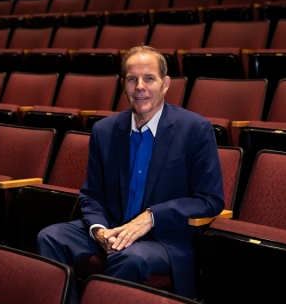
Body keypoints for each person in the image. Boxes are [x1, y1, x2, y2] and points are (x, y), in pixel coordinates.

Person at [37, 45, 224, 300]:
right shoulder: (104, 130)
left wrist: (150, 217)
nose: (140, 87)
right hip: (112, 229)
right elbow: (91, 194)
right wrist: (99, 230)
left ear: (165, 83)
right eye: (133, 79)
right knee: (49, 237)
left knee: (130, 258)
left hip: (164, 240)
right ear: (123, 84)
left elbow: (210, 200)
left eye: (149, 78)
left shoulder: (195, 129)